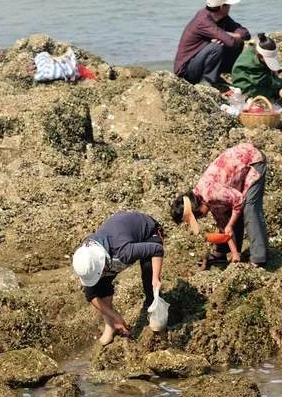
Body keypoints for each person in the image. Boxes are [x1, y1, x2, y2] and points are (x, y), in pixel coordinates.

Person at [72, 211, 165, 345]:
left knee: (149, 279)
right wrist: (114, 316)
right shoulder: (87, 254)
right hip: (118, 235)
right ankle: (110, 325)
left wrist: (155, 278)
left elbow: (157, 250)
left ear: (102, 264)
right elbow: (90, 294)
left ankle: (159, 327)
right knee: (98, 286)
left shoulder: (124, 252)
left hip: (148, 232)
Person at [171, 142, 268, 269]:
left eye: (198, 215)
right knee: (229, 216)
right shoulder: (206, 200)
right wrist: (234, 255)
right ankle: (222, 253)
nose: (202, 217)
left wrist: (231, 224)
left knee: (250, 209)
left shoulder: (210, 193)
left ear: (196, 206)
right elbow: (225, 227)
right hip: (238, 172)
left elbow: (239, 200)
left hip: (251, 161)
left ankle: (259, 257)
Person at [174, 0, 251, 86]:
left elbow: (245, 33)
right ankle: (207, 82)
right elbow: (230, 42)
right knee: (217, 46)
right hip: (186, 70)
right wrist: (230, 36)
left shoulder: (222, 17)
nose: (230, 7)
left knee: (238, 43)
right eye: (228, 5)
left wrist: (230, 34)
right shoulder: (203, 20)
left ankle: (220, 74)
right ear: (222, 7)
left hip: (199, 61)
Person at [230, 33, 282, 101]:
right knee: (274, 92)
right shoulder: (253, 64)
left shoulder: (255, 49)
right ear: (259, 55)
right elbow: (266, 81)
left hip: (254, 78)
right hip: (246, 86)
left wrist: (274, 71)